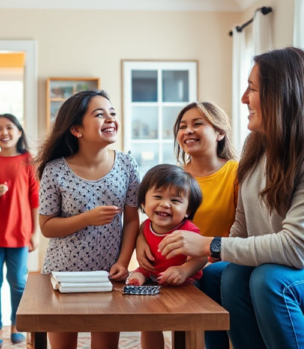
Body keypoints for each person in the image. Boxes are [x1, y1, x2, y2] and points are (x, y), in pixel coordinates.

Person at [158, 47, 304, 349]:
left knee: (269, 281)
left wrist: (210, 244)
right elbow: (242, 227)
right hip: (276, 264)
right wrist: (199, 262)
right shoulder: (256, 145)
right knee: (222, 276)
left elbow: (299, 248)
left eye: (252, 89)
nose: (244, 99)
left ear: (281, 94)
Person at [34, 90, 140, 349]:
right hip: (62, 275)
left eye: (112, 113)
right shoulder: (55, 170)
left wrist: (123, 263)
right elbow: (46, 227)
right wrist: (86, 219)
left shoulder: (127, 164)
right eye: (100, 114)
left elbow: (132, 221)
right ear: (76, 129)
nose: (110, 118)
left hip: (108, 275)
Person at [136, 102, 239, 271]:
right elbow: (153, 221)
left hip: (220, 267)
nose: (187, 131)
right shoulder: (176, 179)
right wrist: (140, 239)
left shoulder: (237, 173)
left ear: (220, 133)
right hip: (174, 270)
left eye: (197, 124)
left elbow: (246, 231)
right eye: (182, 127)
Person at [0, 113, 39, 348]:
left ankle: (16, 327)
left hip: (19, 233)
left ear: (19, 132)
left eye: (9, 127)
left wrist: (34, 232)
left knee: (18, 283)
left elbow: (35, 199)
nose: (4, 132)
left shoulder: (28, 161)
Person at [126, 164, 207, 349]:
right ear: (143, 204)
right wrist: (140, 275)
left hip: (185, 285)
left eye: (176, 200)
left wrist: (184, 270)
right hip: (154, 278)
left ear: (187, 210)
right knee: (147, 323)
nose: (165, 204)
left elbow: (201, 257)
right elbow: (142, 232)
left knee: (187, 327)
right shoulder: (146, 226)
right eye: (157, 197)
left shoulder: (188, 230)